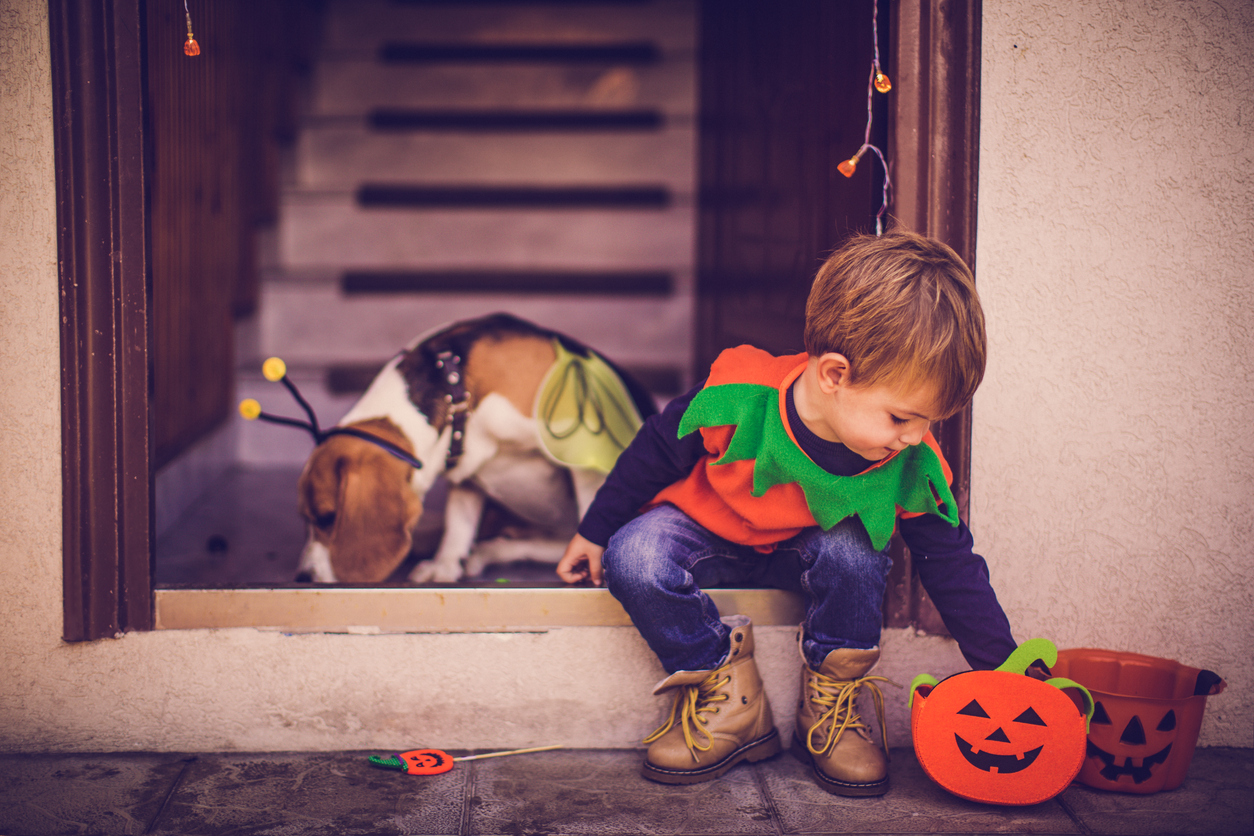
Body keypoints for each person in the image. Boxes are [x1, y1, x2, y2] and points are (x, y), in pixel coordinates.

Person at [556, 230, 1018, 797]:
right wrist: (594, 530)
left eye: (930, 422)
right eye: (901, 418)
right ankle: (727, 693)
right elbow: (655, 449)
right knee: (636, 554)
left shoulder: (912, 462)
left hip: (809, 547)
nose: (916, 437)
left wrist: (1006, 673)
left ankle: (830, 702)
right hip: (708, 526)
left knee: (857, 553)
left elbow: (951, 563)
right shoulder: (740, 395)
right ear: (834, 376)